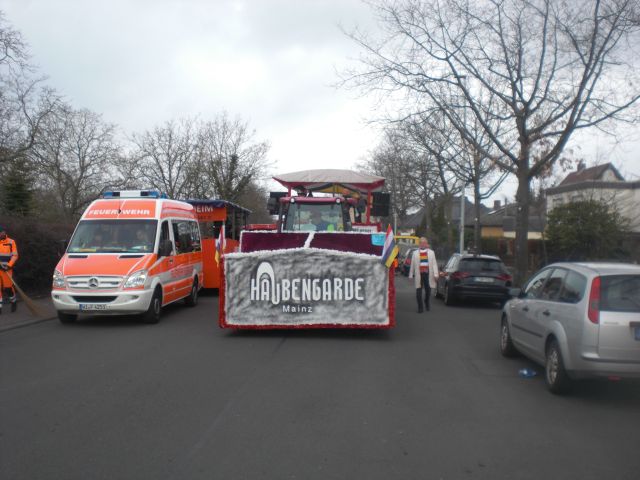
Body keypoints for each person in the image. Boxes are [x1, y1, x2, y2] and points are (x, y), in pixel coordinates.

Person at [408, 237, 439, 313]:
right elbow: (412, 264)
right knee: (418, 291)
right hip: (419, 274)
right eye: (421, 243)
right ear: (419, 244)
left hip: (428, 274)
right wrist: (411, 275)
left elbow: (434, 264)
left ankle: (426, 301)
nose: (422, 244)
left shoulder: (431, 253)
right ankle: (420, 307)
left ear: (426, 244)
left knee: (428, 290)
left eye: (424, 243)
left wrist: (436, 274)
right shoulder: (415, 253)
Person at [0, 226, 19, 313]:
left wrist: (9, 265)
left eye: (2, 232)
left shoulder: (11, 242)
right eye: (0, 232)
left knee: (8, 288)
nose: (2, 233)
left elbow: (15, 255)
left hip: (7, 269)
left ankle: (13, 301)